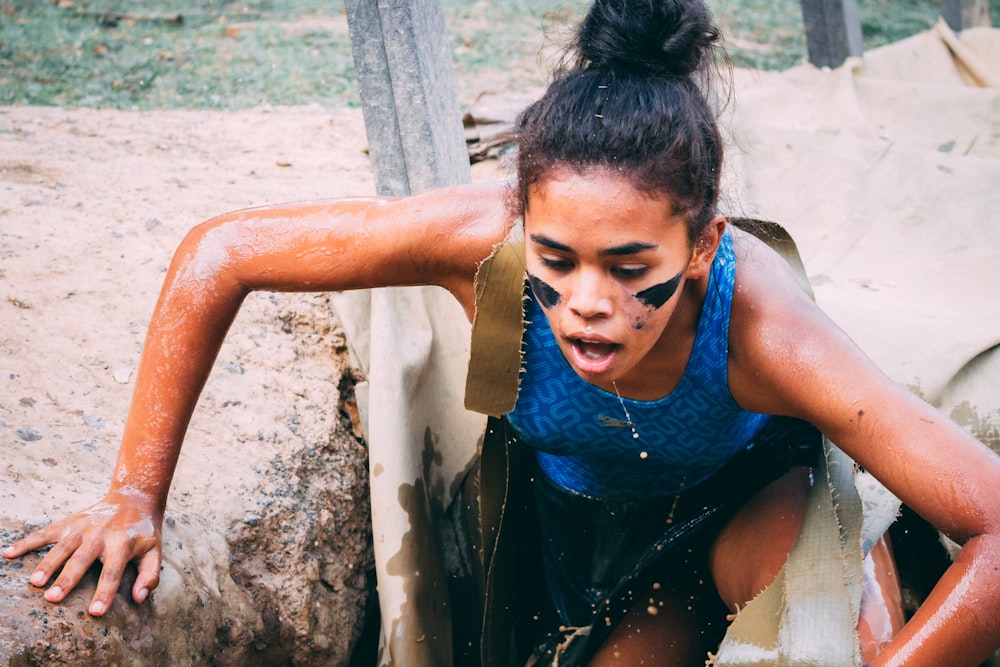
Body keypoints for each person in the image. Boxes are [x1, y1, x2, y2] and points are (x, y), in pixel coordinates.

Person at [5, 0, 1000, 665]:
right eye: (557, 261)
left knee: (834, 644)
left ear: (701, 247)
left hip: (754, 504)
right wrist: (134, 493)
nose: (583, 306)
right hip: (594, 544)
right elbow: (221, 252)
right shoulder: (479, 245)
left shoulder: (763, 328)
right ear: (522, 223)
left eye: (631, 269)